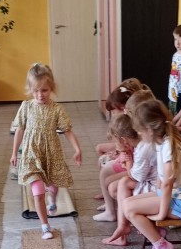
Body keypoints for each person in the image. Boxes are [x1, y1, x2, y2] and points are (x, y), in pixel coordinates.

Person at [123, 98, 181, 249]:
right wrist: (155, 197)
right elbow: (161, 179)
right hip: (176, 196)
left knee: (130, 209)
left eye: (140, 131)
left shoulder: (168, 147)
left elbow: (167, 184)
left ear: (149, 129)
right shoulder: (162, 142)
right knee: (127, 203)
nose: (139, 135)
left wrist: (161, 213)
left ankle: (161, 245)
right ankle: (158, 235)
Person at [10, 63, 82, 239]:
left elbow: (67, 130)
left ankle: (53, 198)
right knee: (38, 191)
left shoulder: (57, 109)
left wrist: (77, 149)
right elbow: (20, 129)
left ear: (52, 88)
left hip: (51, 153)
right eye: (35, 91)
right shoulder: (26, 107)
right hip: (31, 154)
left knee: (52, 186)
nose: (40, 95)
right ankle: (45, 226)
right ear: (30, 89)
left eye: (44, 90)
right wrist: (14, 153)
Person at [94, 88, 155, 222]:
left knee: (113, 184)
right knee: (107, 175)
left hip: (143, 176)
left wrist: (125, 159)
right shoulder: (138, 133)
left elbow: (135, 174)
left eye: (126, 111)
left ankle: (127, 214)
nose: (125, 113)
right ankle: (117, 211)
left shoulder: (141, 138)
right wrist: (121, 153)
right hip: (137, 168)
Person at [102, 113, 157, 246]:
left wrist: (127, 162)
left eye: (115, 141)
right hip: (151, 183)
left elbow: (136, 177)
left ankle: (126, 226)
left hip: (157, 188)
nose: (115, 145)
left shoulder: (142, 148)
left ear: (123, 140)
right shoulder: (140, 146)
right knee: (123, 183)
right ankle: (123, 227)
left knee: (123, 183)